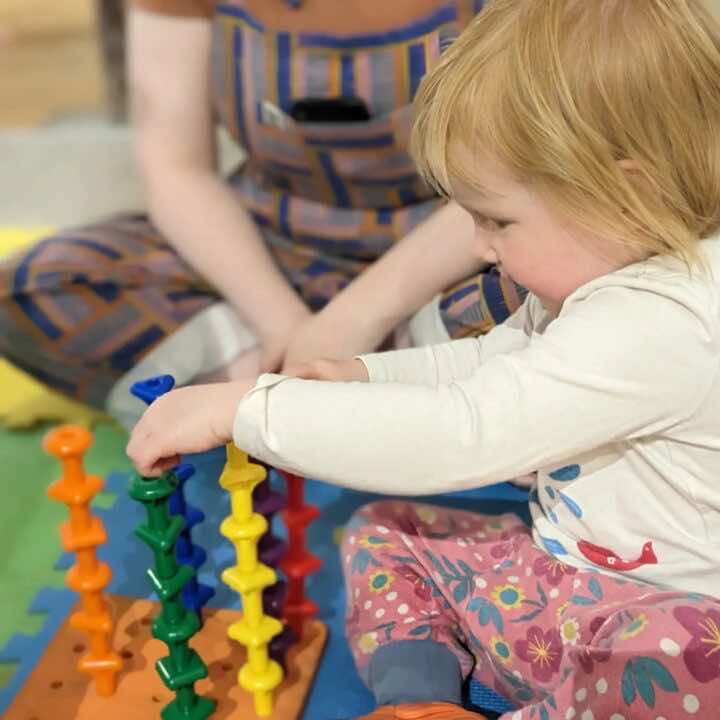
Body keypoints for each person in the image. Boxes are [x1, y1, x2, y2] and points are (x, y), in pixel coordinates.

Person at [128, 1, 720, 718]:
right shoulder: (604, 267)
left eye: (498, 220)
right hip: (566, 587)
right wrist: (363, 377)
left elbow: (471, 431)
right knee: (385, 533)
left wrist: (246, 410)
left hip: (668, 618)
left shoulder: (665, 321)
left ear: (631, 193)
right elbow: (494, 363)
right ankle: (419, 702)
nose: (479, 246)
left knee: (683, 657)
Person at [0, 0, 524, 429]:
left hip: (467, 244)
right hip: (270, 245)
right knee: (38, 288)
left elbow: (530, 177)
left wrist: (356, 318)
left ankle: (350, 388)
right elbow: (177, 171)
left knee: (582, 291)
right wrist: (285, 327)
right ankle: (324, 397)